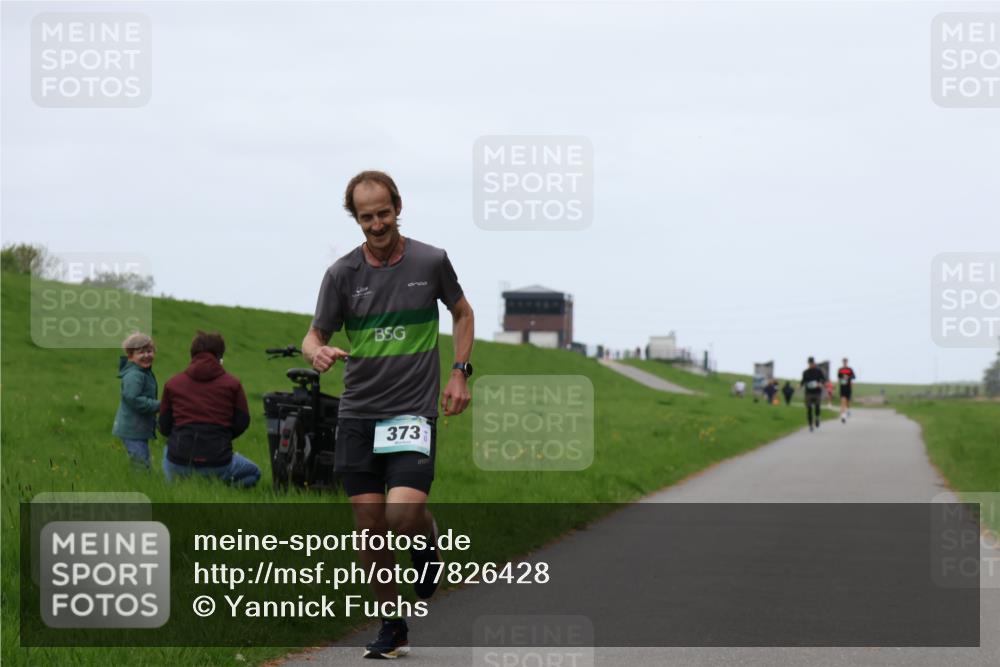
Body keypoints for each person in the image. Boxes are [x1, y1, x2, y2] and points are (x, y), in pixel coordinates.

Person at [303, 170, 474, 659]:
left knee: (401, 514)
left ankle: (426, 537)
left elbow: (463, 313)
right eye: (366, 217)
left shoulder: (431, 261)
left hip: (412, 411)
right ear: (355, 219)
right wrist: (316, 351)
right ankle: (391, 624)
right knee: (368, 526)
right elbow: (313, 334)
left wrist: (460, 372)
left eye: (383, 213)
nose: (376, 224)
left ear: (398, 206)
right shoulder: (341, 274)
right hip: (358, 412)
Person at [159, 331, 260, 487]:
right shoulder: (233, 384)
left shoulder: (172, 383)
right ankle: (221, 489)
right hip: (219, 462)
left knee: (168, 450)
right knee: (254, 473)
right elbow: (243, 420)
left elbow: (164, 426)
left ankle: (176, 486)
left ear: (192, 354)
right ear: (220, 356)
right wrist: (223, 436)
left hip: (178, 462)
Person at [111, 332, 160, 469]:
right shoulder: (134, 375)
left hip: (139, 427)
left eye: (149, 351)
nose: (146, 355)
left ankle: (142, 480)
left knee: (142, 460)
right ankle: (141, 483)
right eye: (141, 352)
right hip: (132, 428)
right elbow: (133, 399)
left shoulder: (144, 372)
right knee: (141, 465)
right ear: (130, 356)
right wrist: (158, 405)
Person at [800, 356, 827, 432]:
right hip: (808, 392)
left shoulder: (818, 371)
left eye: (812, 363)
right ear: (808, 363)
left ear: (814, 363)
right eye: (810, 363)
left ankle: (817, 417)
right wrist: (799, 386)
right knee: (809, 409)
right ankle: (810, 425)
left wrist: (821, 384)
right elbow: (803, 381)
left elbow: (824, 380)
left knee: (817, 407)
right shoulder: (805, 372)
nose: (811, 364)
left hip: (817, 392)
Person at [837, 357, 857, 423]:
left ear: (847, 362)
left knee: (847, 402)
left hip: (848, 387)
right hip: (842, 387)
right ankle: (843, 416)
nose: (845, 363)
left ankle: (848, 410)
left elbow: (854, 376)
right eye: (844, 362)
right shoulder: (840, 369)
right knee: (843, 401)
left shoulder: (850, 369)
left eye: (845, 362)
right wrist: (843, 377)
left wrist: (848, 377)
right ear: (842, 362)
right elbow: (839, 377)